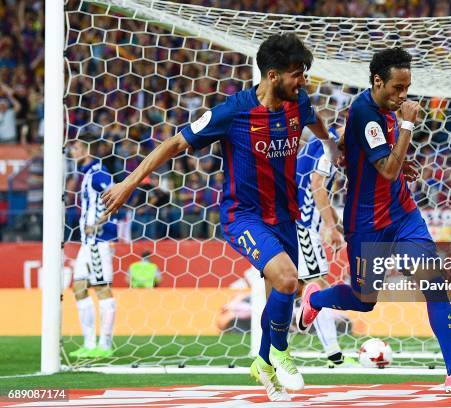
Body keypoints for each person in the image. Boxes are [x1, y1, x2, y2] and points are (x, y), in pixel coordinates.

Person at [101, 33, 341, 402]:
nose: (303, 81)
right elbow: (175, 143)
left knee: (279, 291)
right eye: (297, 74)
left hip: (284, 215)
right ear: (273, 75)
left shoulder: (300, 103)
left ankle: (262, 363)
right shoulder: (233, 111)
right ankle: (280, 354)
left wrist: (332, 146)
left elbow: (320, 126)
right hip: (242, 216)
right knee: (289, 280)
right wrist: (129, 184)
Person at [296, 48, 451, 394]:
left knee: (432, 282)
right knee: (365, 299)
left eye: (407, 88)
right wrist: (409, 126)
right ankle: (315, 300)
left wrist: (400, 161)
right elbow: (385, 168)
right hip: (367, 223)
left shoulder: (386, 108)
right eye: (397, 88)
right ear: (377, 82)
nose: (403, 96)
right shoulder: (366, 112)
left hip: (403, 214)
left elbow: (380, 160)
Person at [295, 126, 357, 368]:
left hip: (299, 225)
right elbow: (317, 187)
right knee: (316, 288)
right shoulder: (329, 149)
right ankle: (334, 356)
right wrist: (330, 228)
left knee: (298, 288)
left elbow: (319, 194)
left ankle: (274, 350)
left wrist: (337, 226)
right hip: (303, 228)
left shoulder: (321, 142)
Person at [68, 135, 118, 359]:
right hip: (86, 243)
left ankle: (105, 344)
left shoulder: (99, 173)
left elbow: (116, 198)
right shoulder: (87, 174)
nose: (72, 151)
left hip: (98, 241)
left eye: (76, 147)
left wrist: (99, 224)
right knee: (79, 288)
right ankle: (89, 344)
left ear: (87, 149)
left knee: (101, 289)